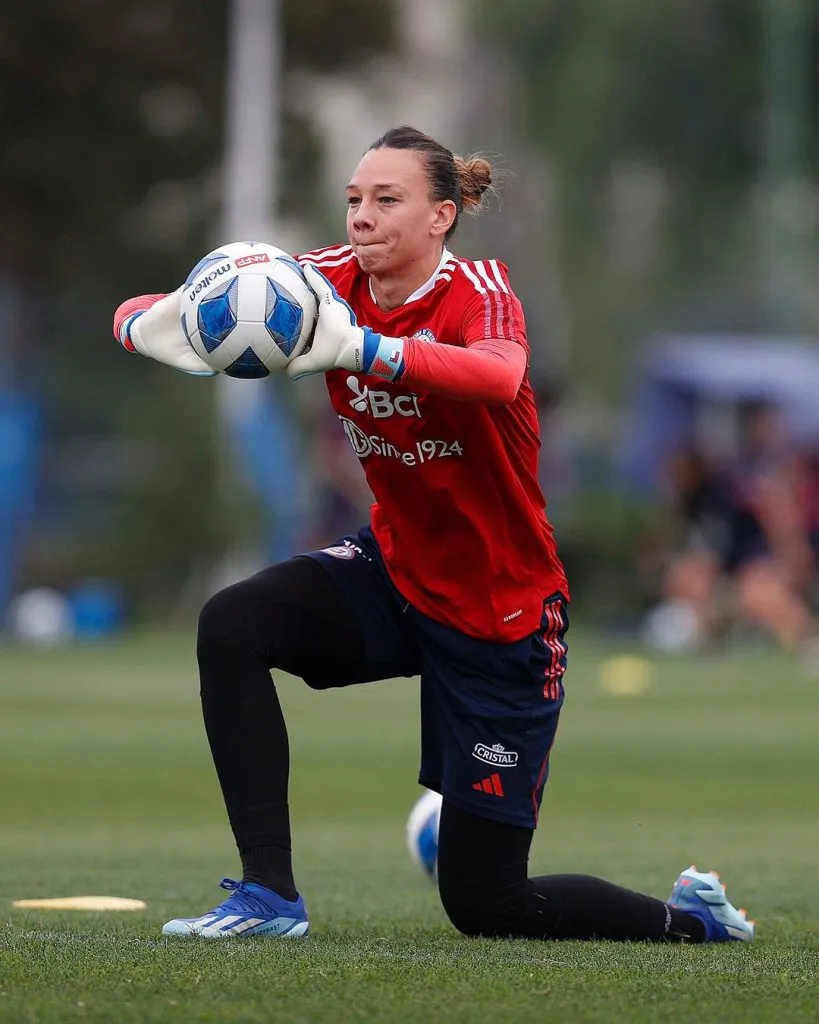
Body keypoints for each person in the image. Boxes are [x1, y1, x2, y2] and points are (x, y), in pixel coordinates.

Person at [113, 126, 753, 943]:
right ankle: (268, 897)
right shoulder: (317, 284)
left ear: (441, 217)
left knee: (488, 907)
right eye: (353, 199)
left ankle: (688, 919)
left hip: (500, 614)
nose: (362, 217)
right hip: (396, 573)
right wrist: (168, 324)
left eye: (387, 200)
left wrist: (364, 349)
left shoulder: (479, 290)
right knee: (233, 624)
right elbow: (147, 313)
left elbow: (497, 374)